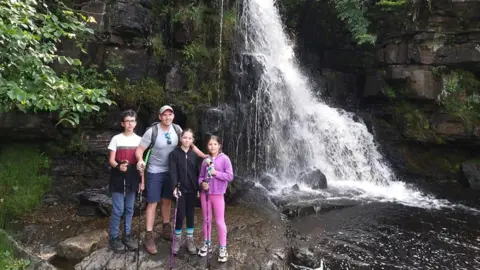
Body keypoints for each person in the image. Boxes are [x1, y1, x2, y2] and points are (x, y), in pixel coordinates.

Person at [135, 105, 206, 255]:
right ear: (160, 117)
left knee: (167, 200)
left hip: (172, 172)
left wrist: (204, 156)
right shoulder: (152, 131)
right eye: (164, 115)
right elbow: (139, 149)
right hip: (155, 170)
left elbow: (190, 145)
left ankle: (166, 228)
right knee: (153, 202)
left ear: (173, 116)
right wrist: (140, 160)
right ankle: (148, 235)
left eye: (170, 114)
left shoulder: (177, 129)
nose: (168, 117)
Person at [107, 109, 143, 252]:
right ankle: (113, 238)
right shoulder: (116, 139)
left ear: (135, 123)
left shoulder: (139, 140)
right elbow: (111, 160)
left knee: (129, 208)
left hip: (133, 177)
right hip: (118, 177)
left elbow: (140, 161)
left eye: (132, 121)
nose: (130, 123)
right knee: (118, 210)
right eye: (127, 121)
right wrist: (118, 166)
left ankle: (127, 236)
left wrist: (142, 180)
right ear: (122, 123)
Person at [197, 135, 234, 263]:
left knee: (219, 221)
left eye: (214, 144)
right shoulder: (205, 160)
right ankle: (207, 244)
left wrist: (215, 173)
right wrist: (202, 183)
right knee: (207, 220)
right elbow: (201, 176)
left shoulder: (225, 159)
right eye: (210, 144)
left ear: (219, 145)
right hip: (205, 194)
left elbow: (229, 176)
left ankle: (223, 247)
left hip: (218, 194)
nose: (212, 146)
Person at [169, 129, 200, 255]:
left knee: (190, 214)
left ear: (192, 140)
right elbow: (172, 171)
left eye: (189, 138)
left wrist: (198, 189)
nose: (187, 140)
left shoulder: (194, 155)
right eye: (185, 137)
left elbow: (197, 173)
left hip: (192, 189)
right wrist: (174, 187)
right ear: (181, 138)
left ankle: (190, 239)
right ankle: (177, 239)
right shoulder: (174, 154)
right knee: (180, 214)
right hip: (180, 189)